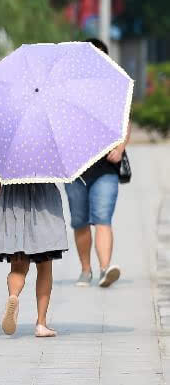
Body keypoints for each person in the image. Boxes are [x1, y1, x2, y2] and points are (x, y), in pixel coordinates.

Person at [64, 37, 128, 288]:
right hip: (76, 168)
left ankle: (104, 269)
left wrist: (121, 146)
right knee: (80, 221)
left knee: (102, 217)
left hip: (106, 168)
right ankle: (85, 270)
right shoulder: (68, 90)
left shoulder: (115, 88)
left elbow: (125, 120)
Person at [0, 175, 68, 337]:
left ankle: (13, 296)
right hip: (44, 201)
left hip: (13, 199)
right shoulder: (47, 150)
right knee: (45, 267)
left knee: (18, 267)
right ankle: (41, 323)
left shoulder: (8, 150)